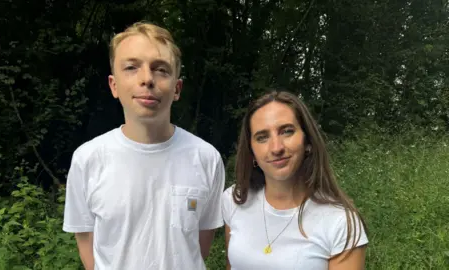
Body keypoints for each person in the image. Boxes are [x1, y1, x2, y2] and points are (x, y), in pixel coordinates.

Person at [62, 21, 225, 270]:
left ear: (177, 88)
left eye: (160, 69)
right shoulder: (88, 159)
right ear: (113, 85)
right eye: (131, 67)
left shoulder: (206, 158)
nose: (147, 79)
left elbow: (200, 246)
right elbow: (86, 240)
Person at [222, 90, 368, 270]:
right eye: (262, 137)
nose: (276, 148)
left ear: (308, 141)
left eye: (287, 132)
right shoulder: (235, 199)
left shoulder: (340, 222)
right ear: (252, 151)